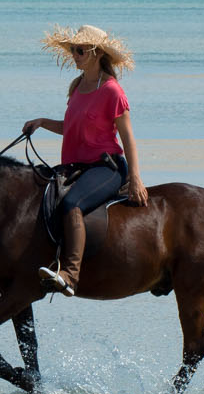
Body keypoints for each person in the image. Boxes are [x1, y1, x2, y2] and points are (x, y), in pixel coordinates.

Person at [20, 25, 148, 295]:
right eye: (72, 50)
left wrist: (135, 178)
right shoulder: (77, 86)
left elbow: (128, 139)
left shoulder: (112, 91)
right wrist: (41, 122)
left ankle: (70, 274)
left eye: (79, 51)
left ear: (96, 53)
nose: (74, 55)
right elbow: (71, 127)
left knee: (71, 203)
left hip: (106, 168)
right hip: (75, 167)